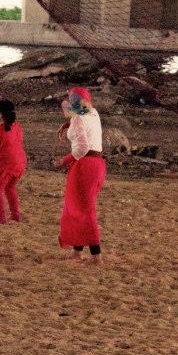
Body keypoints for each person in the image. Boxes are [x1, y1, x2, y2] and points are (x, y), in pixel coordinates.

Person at [56, 87, 107, 264]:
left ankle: (96, 254)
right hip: (97, 165)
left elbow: (82, 148)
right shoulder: (94, 113)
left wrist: (63, 161)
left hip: (84, 166)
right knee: (80, 207)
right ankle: (77, 251)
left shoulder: (78, 118)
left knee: (80, 209)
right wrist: (67, 125)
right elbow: (85, 124)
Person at [0, 99, 27, 224]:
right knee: (10, 188)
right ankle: (15, 215)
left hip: (5, 164)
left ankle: (1, 218)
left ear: (0, 114)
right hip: (20, 162)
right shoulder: (17, 127)